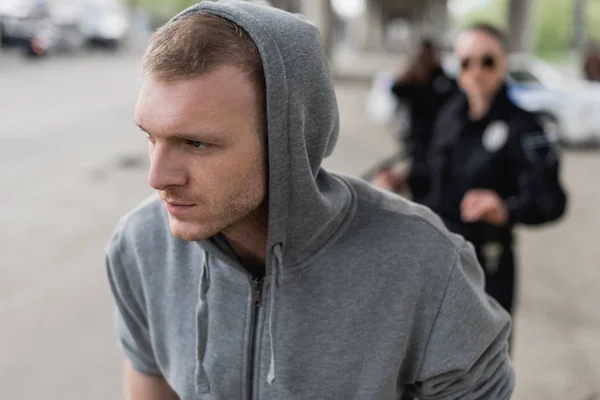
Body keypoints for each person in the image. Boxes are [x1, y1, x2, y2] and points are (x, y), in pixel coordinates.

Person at [105, 3, 514, 399]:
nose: (157, 178)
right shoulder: (140, 246)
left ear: (288, 140)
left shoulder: (425, 264)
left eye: (196, 143)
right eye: (151, 137)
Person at [424, 24, 567, 317]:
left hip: (488, 264)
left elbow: (551, 198)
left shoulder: (526, 125)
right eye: (466, 63)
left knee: (487, 360)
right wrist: (402, 181)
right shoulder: (448, 116)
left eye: (487, 61)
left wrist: (506, 209)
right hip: (437, 259)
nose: (476, 71)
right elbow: (431, 180)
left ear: (504, 63)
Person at [377, 39, 457, 203]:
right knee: (420, 185)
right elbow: (396, 90)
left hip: (437, 144)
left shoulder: (439, 80)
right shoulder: (415, 81)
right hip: (419, 145)